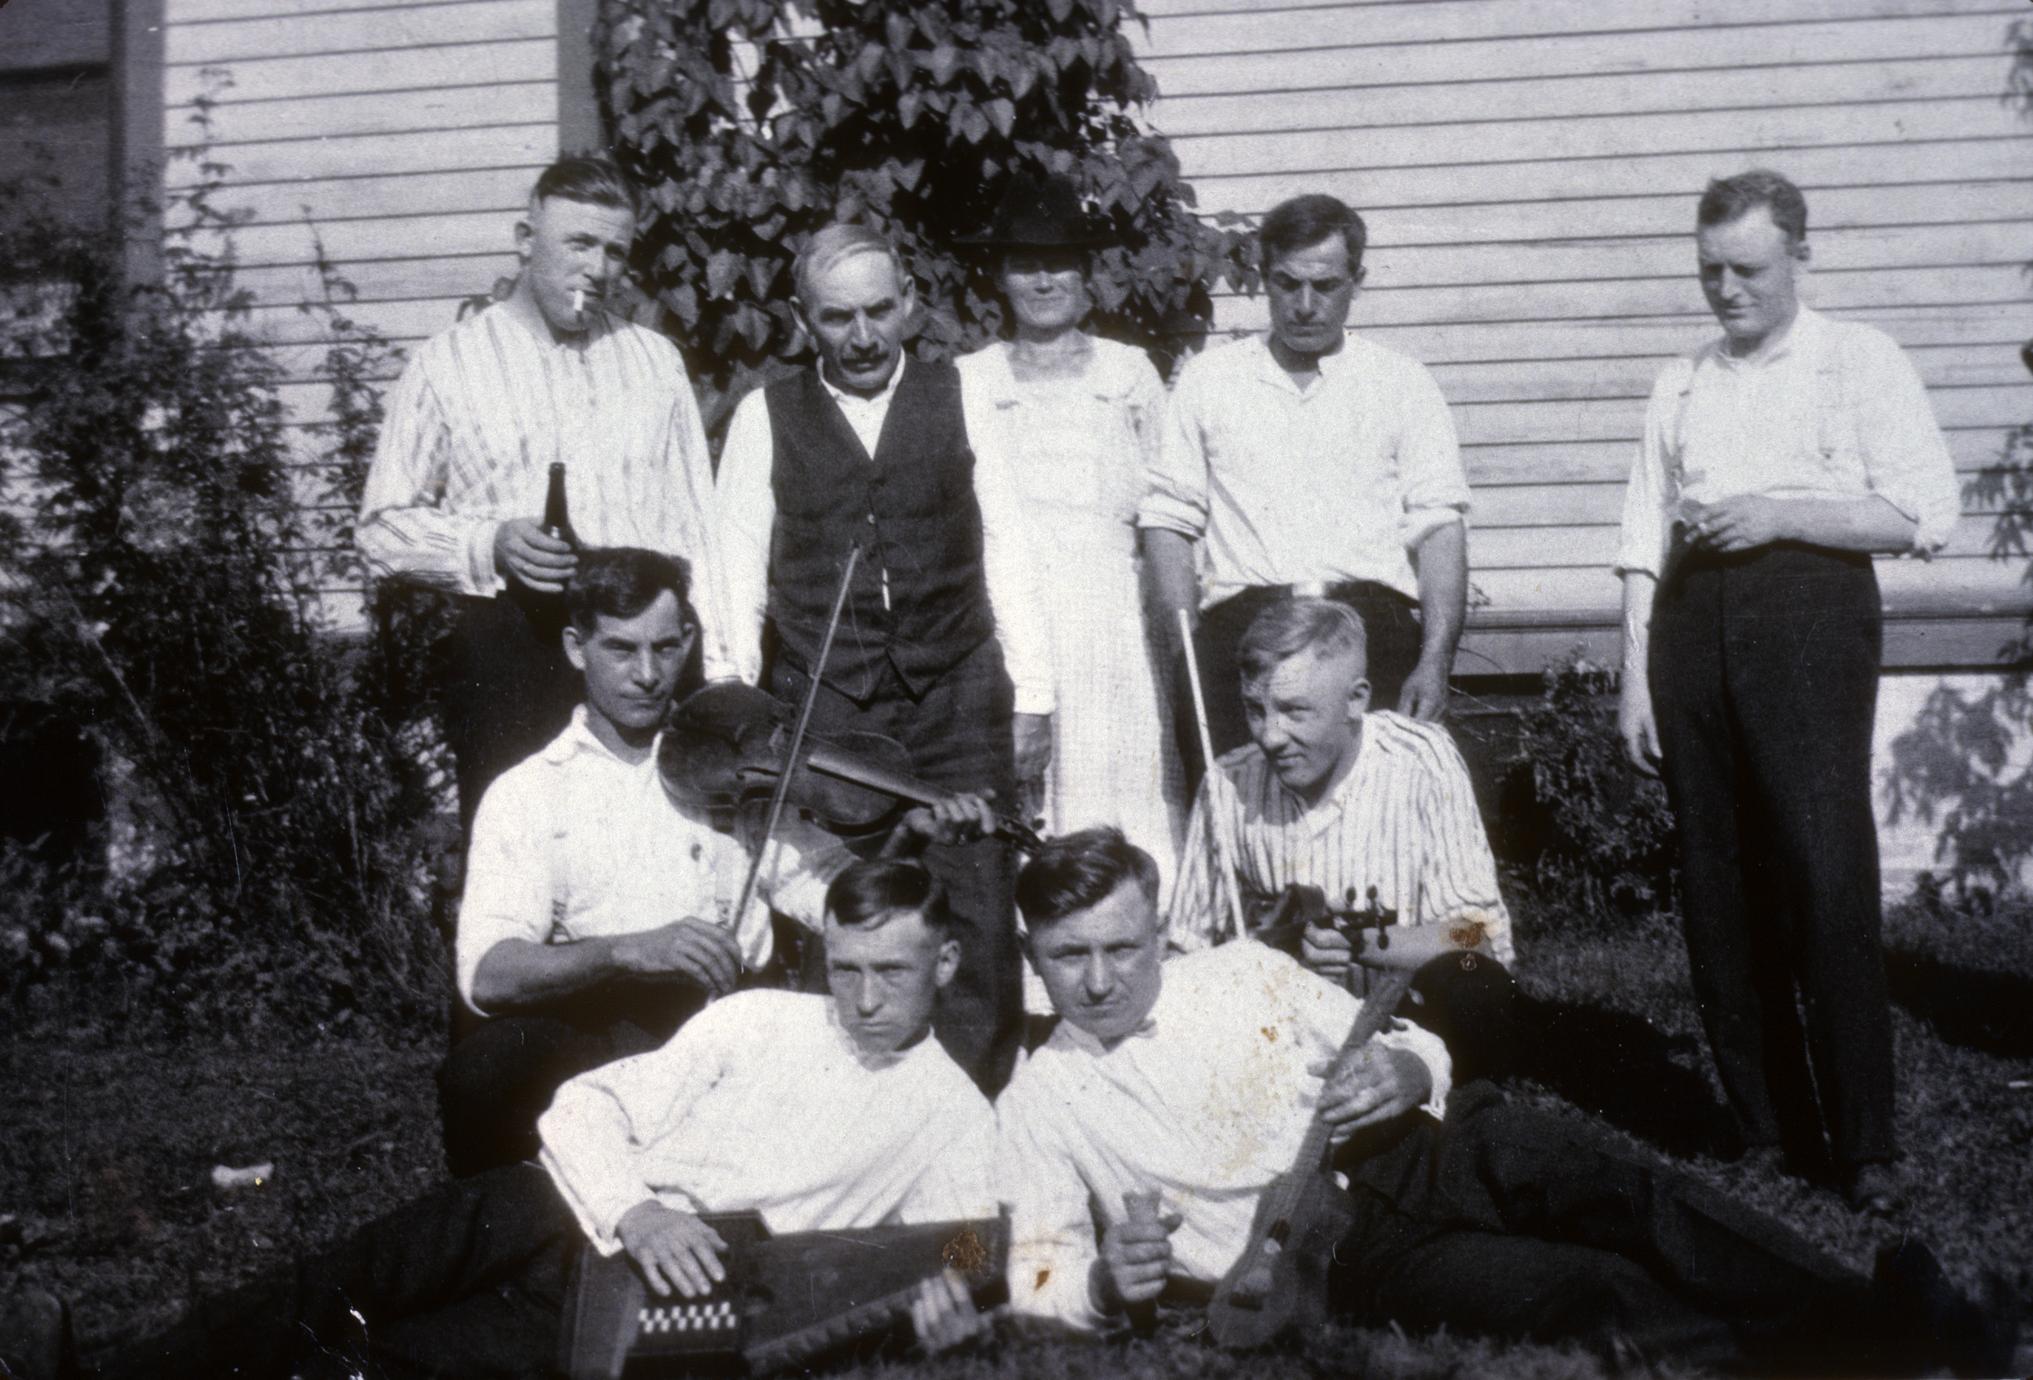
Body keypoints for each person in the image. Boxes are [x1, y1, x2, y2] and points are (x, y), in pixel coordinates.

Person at [996, 828, 2013, 1376]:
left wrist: (1407, 1074)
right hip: (1336, 1254)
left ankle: (1865, 1317)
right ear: (1032, 956)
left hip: (1416, 1148)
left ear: (1156, 930)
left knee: (1628, 1192)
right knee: (1591, 1291)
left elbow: (1409, 1043)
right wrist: (1099, 1284)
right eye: (1068, 956)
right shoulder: (1039, 1100)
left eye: (1120, 947)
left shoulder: (1236, 974)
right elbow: (1027, 1264)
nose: (1099, 979)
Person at [55, 861, 998, 1380]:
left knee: (387, 1365)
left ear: (946, 963)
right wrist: (634, 1207)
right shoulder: (758, 1020)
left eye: (892, 973)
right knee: (343, 1276)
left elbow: (967, 1245)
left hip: (655, 1290)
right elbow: (587, 1103)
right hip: (567, 1201)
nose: (862, 1000)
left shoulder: (954, 1116)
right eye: (845, 968)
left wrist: (947, 1300)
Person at [1614, 171, 1961, 1217]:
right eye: (1708, 271)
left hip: (1808, 615)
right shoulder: (1680, 381)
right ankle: (1763, 1126)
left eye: (1747, 270)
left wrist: (1779, 512)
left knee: (1822, 865)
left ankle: (1864, 1145)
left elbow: (1920, 514)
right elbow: (1642, 536)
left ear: (1798, 255)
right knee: (1716, 881)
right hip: (1689, 625)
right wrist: (1634, 679)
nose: (1725, 290)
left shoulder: (1857, 360)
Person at [443, 547, 995, 1176]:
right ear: (576, 648)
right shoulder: (529, 791)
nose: (648, 674)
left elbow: (835, 899)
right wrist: (626, 950)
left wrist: (909, 842)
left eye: (665, 648)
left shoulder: (737, 761)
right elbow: (488, 974)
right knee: (482, 1075)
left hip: (738, 1022)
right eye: (621, 650)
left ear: (688, 641)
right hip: (606, 1029)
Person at [709, 222, 1055, 1092]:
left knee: (974, 905)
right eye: (837, 318)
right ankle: (858, 1107)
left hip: (958, 693)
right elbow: (734, 568)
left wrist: (1034, 697)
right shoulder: (764, 415)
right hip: (829, 703)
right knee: (856, 911)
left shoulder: (965, 396)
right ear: (803, 320)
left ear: (908, 304)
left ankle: (978, 1112)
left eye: (877, 311)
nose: (862, 337)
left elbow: (1010, 545)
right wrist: (735, 710)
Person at [358, 156, 721, 830]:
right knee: (518, 848)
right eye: (578, 243)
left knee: (651, 843)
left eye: (615, 251)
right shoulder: (448, 362)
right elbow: (381, 530)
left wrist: (718, 670)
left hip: (639, 656)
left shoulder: (654, 362)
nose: (597, 268)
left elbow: (699, 526)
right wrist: (488, 543)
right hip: (511, 656)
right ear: (525, 239)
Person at [1141, 192, 1469, 772]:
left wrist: (1435, 661)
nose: (1306, 306)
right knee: (1244, 814)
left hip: (1370, 635)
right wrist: (1186, 658)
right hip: (1245, 635)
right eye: (1288, 284)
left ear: (1357, 281)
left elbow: (1439, 528)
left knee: (1375, 813)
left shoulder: (1402, 383)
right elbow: (1169, 523)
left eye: (1326, 286)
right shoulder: (1210, 381)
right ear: (1264, 276)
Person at [1167, 598, 1516, 1079]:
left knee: (1475, 987)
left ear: (1356, 700)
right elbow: (1184, 954)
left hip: (1411, 1029)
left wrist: (1360, 942)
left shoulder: (1421, 759)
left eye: (1294, 711)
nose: (1270, 736)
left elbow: (1478, 938)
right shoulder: (1228, 784)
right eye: (1255, 710)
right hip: (1282, 1035)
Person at [954, 171, 1186, 883]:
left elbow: (1166, 506)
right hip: (1010, 618)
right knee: (1025, 791)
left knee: (1121, 779)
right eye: (1025, 264)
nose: (1043, 280)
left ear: (1085, 274)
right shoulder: (969, 379)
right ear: (1000, 276)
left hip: (1110, 621)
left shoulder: (1128, 373)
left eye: (1058, 263)